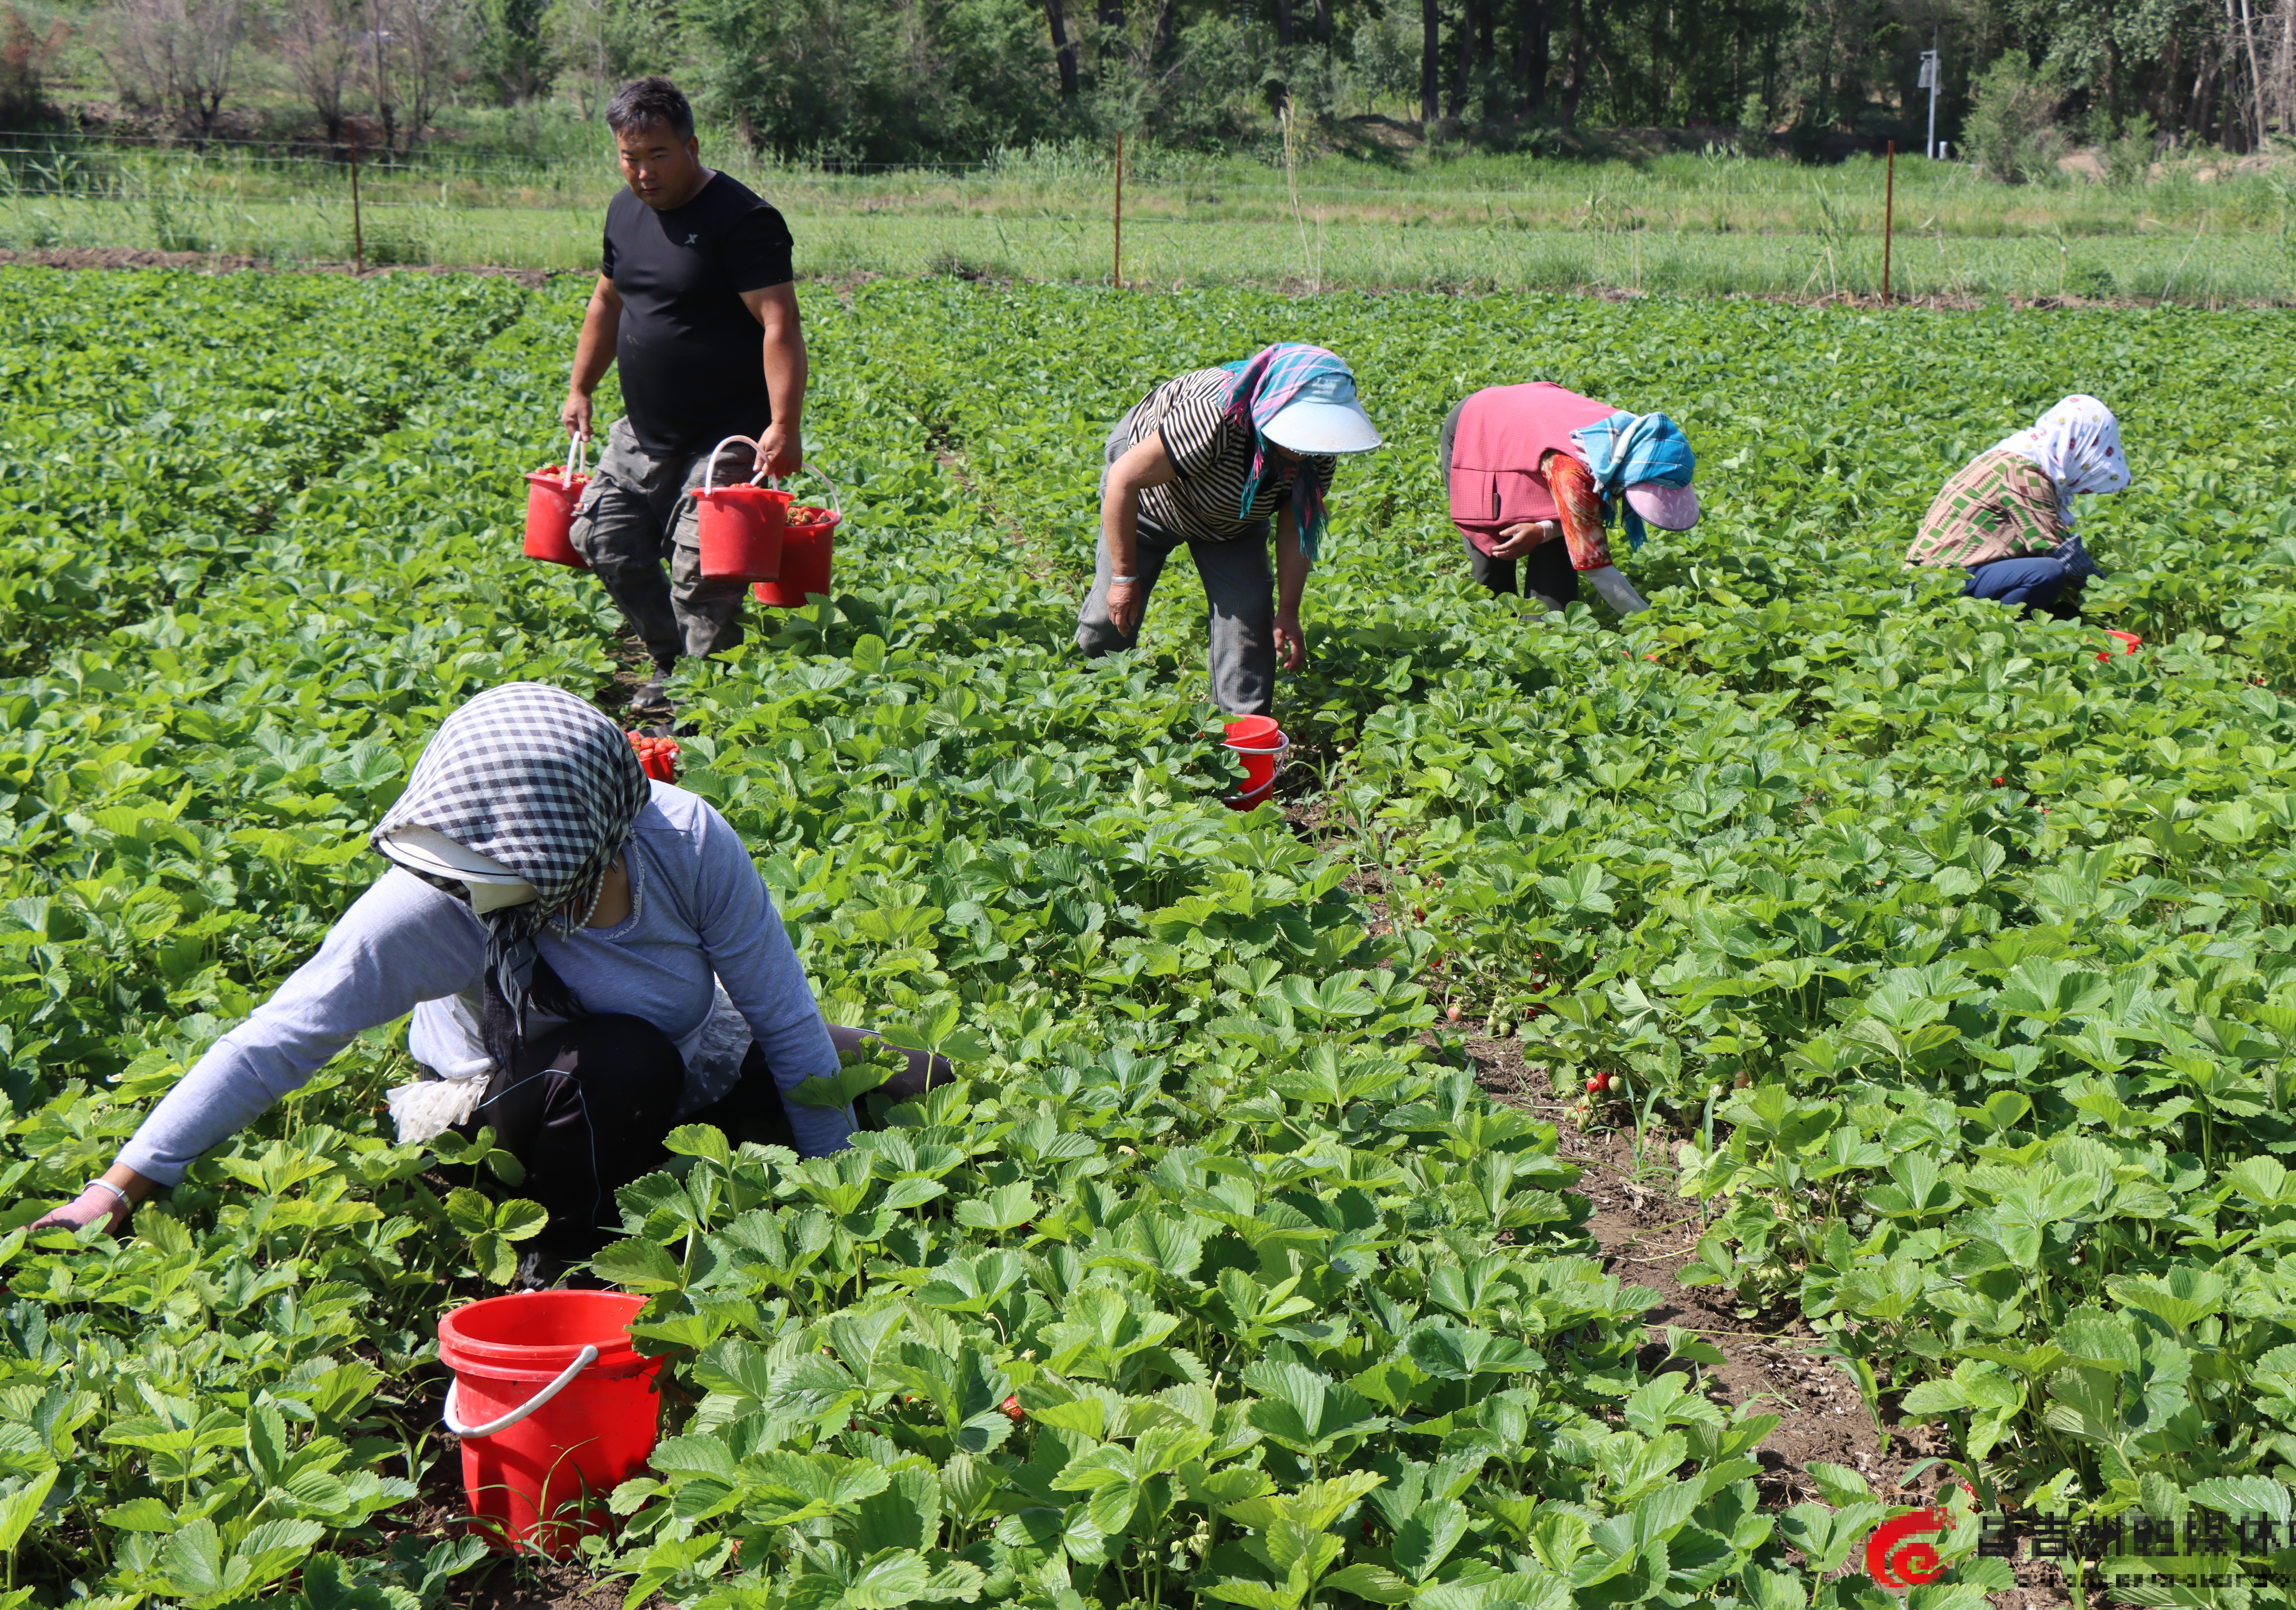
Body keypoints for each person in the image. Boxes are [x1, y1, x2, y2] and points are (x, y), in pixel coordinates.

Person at [27, 684, 943, 1278]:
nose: (469, 881)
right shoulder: (434, 901)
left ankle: (690, 1161)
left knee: (913, 1078)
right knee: (619, 1066)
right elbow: (277, 1038)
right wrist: (119, 1187)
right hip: (524, 1101)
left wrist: (840, 1198)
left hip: (693, 1047)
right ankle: (569, 1252)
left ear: (584, 838)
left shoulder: (685, 843)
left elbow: (782, 1021)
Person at [560, 77, 808, 723]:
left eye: (658, 155)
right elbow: (607, 301)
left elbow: (779, 322)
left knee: (704, 575)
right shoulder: (623, 211)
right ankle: (670, 660)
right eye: (629, 156)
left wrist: (784, 425)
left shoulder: (743, 220)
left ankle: (709, 701)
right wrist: (581, 385)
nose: (643, 172)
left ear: (692, 145)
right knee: (602, 537)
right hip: (644, 426)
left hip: (725, 433)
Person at [1076, 344, 1382, 716]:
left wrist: (1288, 612)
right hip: (1151, 497)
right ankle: (1093, 703)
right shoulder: (1214, 415)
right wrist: (1124, 578)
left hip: (1234, 518)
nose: (1307, 446)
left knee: (1248, 624)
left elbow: (1292, 529)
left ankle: (1244, 737)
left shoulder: (1317, 452)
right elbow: (1125, 479)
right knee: (1109, 621)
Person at [1439, 383, 1700, 617]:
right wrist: (1654, 625)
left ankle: (1545, 634)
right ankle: (1493, 630)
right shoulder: (1574, 469)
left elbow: (1577, 521)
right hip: (1477, 424)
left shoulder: (1637, 436)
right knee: (1495, 559)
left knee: (1556, 588)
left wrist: (1542, 531)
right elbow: (1598, 571)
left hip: (1534, 426)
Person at [1906, 395, 2130, 618]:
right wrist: (2109, 595)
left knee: (2063, 607)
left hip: (1947, 575)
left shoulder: (2015, 457)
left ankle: (2017, 621)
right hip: (1937, 581)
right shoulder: (2022, 474)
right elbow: (2056, 549)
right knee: (2048, 572)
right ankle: (1997, 626)